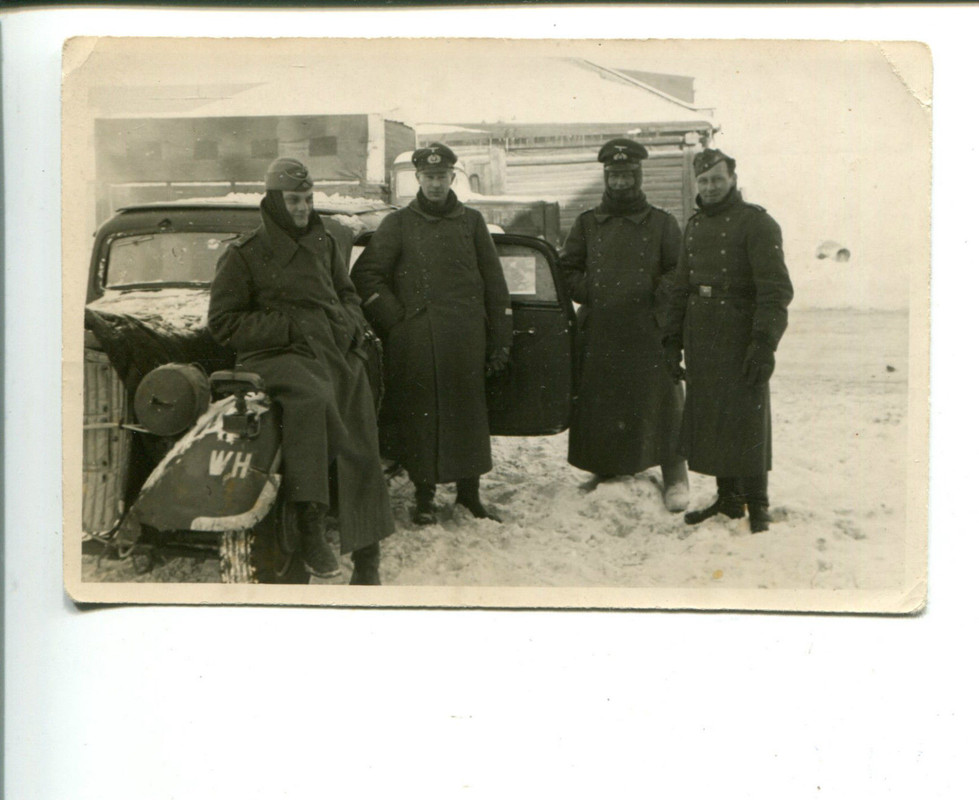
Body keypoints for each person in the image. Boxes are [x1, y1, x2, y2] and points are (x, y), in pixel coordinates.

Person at [208, 157, 395, 582]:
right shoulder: (244, 255)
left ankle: (368, 556)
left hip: (331, 352)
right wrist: (290, 327)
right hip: (276, 356)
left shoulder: (325, 242)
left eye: (308, 199)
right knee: (312, 400)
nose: (302, 208)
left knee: (360, 428)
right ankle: (310, 521)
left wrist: (348, 326)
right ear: (274, 201)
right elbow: (223, 323)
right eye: (294, 200)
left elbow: (346, 294)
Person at [350, 143, 513, 525]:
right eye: (429, 177)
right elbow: (366, 276)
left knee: (468, 417)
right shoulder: (398, 224)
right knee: (421, 420)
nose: (436, 184)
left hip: (465, 340)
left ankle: (469, 495)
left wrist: (500, 339)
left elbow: (495, 284)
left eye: (442, 177)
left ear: (452, 178)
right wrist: (398, 319)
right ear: (418, 179)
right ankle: (424, 497)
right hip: (417, 343)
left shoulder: (471, 223)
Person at [662, 148, 794, 533]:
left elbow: (775, 291)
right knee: (714, 417)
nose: (711, 186)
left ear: (733, 178)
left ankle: (758, 505)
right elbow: (680, 287)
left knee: (747, 418)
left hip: (741, 335)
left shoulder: (757, 223)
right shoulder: (695, 225)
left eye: (718, 179)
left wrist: (764, 343)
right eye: (703, 181)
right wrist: (671, 339)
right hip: (701, 335)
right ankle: (729, 499)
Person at [558, 138, 690, 511]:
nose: (620, 183)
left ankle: (674, 475)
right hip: (601, 328)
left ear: (639, 176)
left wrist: (648, 295)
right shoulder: (587, 223)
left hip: (648, 328)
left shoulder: (663, 223)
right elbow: (568, 269)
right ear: (605, 177)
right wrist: (596, 292)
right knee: (604, 401)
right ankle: (607, 468)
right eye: (613, 175)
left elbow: (677, 271)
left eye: (627, 175)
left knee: (661, 400)